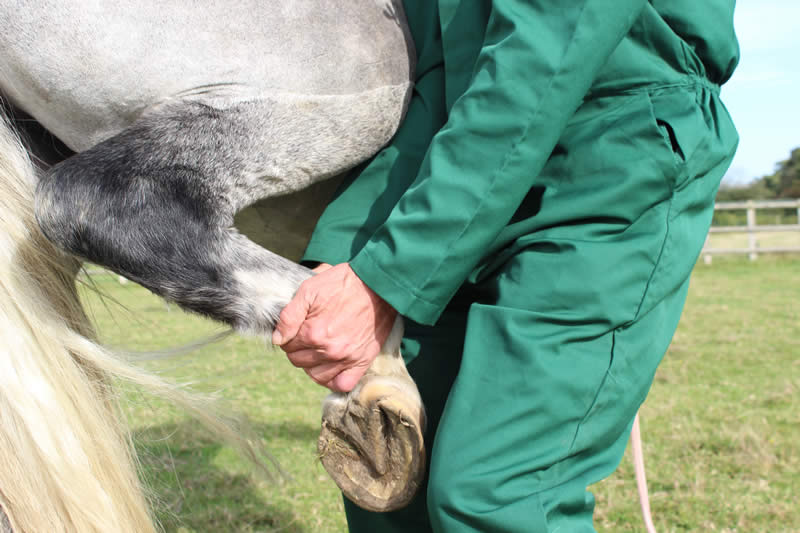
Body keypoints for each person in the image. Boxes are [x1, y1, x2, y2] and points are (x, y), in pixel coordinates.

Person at [272, 1, 739, 531]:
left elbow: (545, 52)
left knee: (495, 493)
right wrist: (348, 256)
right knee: (391, 473)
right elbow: (434, 71)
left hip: (606, 158)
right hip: (457, 159)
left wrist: (388, 277)